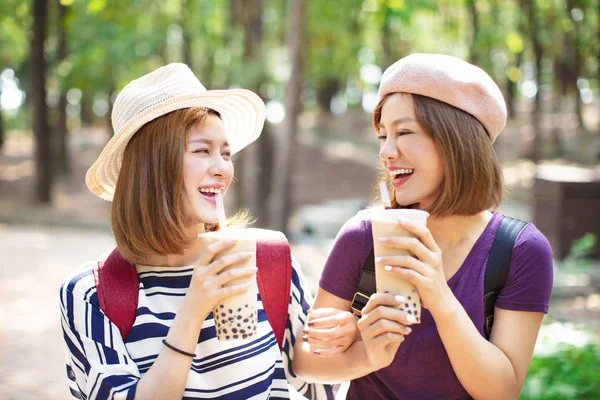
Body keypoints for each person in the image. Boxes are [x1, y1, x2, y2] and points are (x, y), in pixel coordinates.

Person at [59, 63, 333, 399]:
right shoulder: (92, 294)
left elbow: (317, 386)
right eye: (203, 151)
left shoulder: (266, 262)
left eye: (226, 153)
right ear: (153, 167)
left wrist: (359, 346)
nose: (223, 169)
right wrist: (192, 310)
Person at [292, 53, 554, 399]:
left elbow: (501, 391)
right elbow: (304, 359)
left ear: (456, 140)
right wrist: (364, 352)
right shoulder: (364, 237)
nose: (386, 151)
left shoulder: (520, 251)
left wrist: (438, 294)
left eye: (404, 131)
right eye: (383, 136)